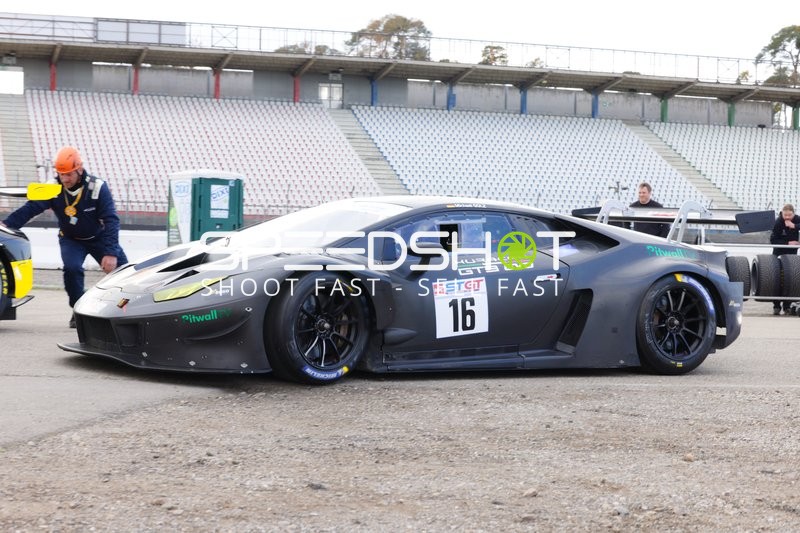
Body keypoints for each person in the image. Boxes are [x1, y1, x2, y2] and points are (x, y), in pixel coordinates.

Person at [0, 146, 128, 328]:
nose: (65, 179)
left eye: (69, 174)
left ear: (79, 170)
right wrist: (6, 224)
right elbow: (31, 208)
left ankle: (125, 312)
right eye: (61, 174)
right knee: (72, 269)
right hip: (71, 239)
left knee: (124, 272)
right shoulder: (52, 187)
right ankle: (79, 310)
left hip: (98, 238)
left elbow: (111, 221)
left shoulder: (98, 187)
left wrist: (110, 252)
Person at [769, 203, 800, 315]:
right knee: (777, 280)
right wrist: (788, 243)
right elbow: (773, 240)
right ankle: (776, 305)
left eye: (789, 215)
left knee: (792, 280)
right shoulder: (778, 222)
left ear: (793, 214)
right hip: (778, 253)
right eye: (785, 215)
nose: (787, 217)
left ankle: (787, 306)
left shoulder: (796, 219)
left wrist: (795, 226)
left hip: (792, 256)